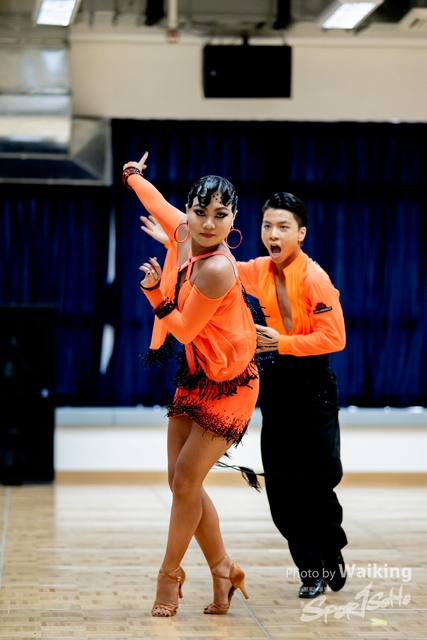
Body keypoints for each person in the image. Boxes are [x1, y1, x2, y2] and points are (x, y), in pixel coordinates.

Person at [141, 190, 348, 599]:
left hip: (314, 385)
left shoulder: (315, 278)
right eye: (267, 226)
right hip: (275, 382)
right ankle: (310, 570)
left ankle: (331, 550)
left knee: (318, 481)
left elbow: (335, 337)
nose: (273, 234)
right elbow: (209, 262)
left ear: (301, 234)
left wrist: (283, 342)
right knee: (281, 486)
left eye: (283, 227)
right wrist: (174, 243)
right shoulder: (255, 269)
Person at [122, 153, 259, 617]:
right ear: (190, 211)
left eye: (221, 214)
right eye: (200, 212)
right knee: (182, 482)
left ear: (234, 219)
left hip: (232, 386)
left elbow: (181, 330)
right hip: (199, 375)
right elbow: (155, 201)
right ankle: (224, 570)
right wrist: (132, 175)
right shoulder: (184, 231)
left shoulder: (218, 268)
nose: (208, 223)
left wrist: (154, 292)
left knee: (185, 480)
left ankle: (169, 576)